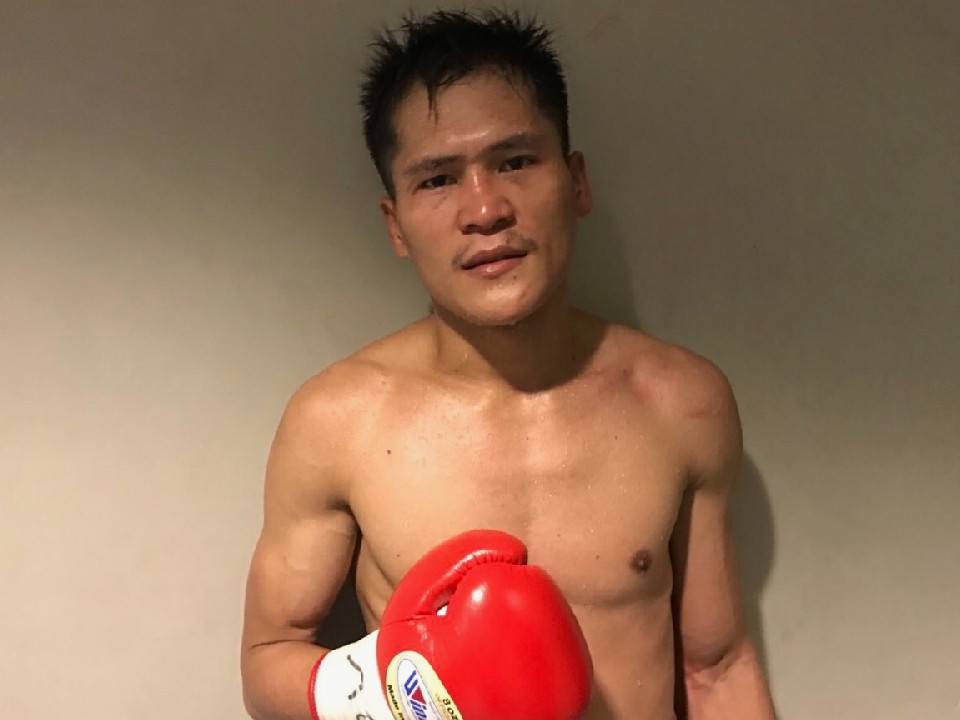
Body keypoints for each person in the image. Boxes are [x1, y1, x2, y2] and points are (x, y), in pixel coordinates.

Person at [240, 8, 777, 720]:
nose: (486, 209)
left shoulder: (683, 403)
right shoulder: (337, 422)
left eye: (516, 162)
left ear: (576, 182)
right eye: (437, 179)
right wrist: (390, 685)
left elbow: (718, 667)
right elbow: (268, 658)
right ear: (395, 225)